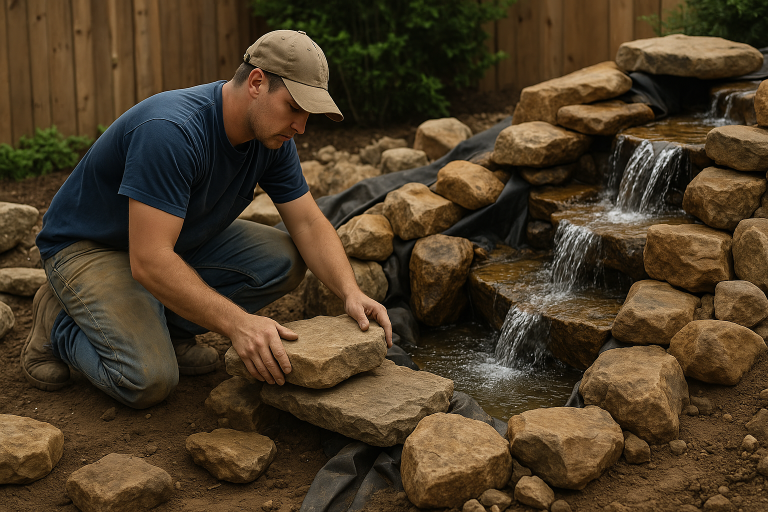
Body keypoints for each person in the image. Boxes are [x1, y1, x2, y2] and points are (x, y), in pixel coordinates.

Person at [20, 30, 393, 409]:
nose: (301, 126)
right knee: (148, 379)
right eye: (294, 108)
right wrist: (238, 324)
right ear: (257, 82)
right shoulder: (172, 132)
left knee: (283, 258)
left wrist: (351, 292)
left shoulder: (272, 138)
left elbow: (308, 224)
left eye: (307, 114)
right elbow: (149, 260)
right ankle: (60, 325)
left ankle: (164, 329)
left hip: (168, 240)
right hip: (91, 246)